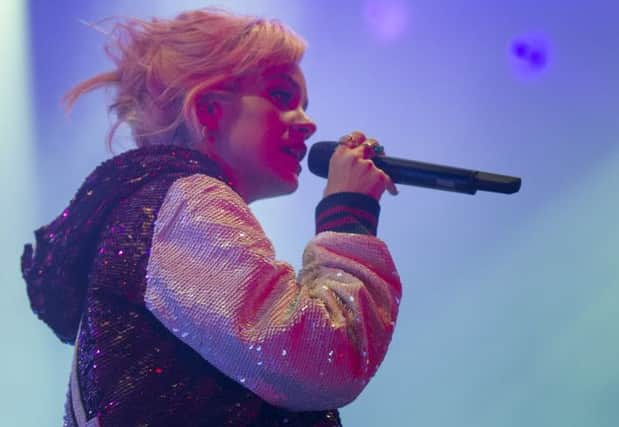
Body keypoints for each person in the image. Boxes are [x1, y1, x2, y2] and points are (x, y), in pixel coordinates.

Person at [21, 8, 402, 427]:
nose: (308, 123)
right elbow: (320, 358)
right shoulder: (182, 203)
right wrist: (348, 214)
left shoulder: (163, 208)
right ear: (208, 111)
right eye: (281, 96)